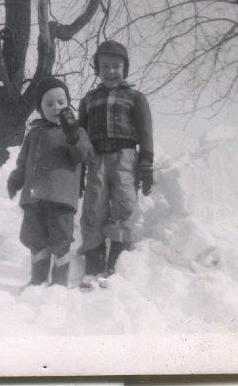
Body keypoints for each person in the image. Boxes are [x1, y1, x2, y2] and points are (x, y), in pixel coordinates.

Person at [76, 40, 154, 289]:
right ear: (97, 70)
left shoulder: (135, 97)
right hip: (96, 158)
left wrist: (146, 164)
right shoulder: (88, 99)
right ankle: (92, 268)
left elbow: (145, 133)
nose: (111, 71)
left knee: (124, 206)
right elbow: (81, 135)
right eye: (105, 66)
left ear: (125, 69)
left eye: (116, 66)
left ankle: (115, 267)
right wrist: (80, 169)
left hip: (125, 157)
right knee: (93, 208)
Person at [7, 77, 93, 288]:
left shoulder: (76, 132)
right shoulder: (34, 133)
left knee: (60, 240)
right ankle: (37, 281)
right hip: (34, 198)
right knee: (35, 238)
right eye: (49, 104)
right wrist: (16, 179)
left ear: (69, 104)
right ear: (40, 109)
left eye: (61, 102)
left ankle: (59, 283)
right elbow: (23, 162)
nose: (56, 107)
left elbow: (83, 155)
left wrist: (73, 135)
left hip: (61, 199)